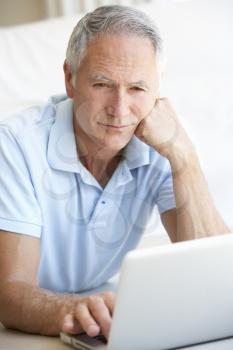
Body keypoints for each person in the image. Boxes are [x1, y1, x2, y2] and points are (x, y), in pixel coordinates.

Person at [0, 4, 229, 341]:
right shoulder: (16, 143)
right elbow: (10, 293)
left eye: (137, 88)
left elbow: (218, 277)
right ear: (70, 79)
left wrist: (184, 157)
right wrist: (75, 309)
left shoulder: (166, 140)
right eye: (102, 84)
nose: (120, 110)